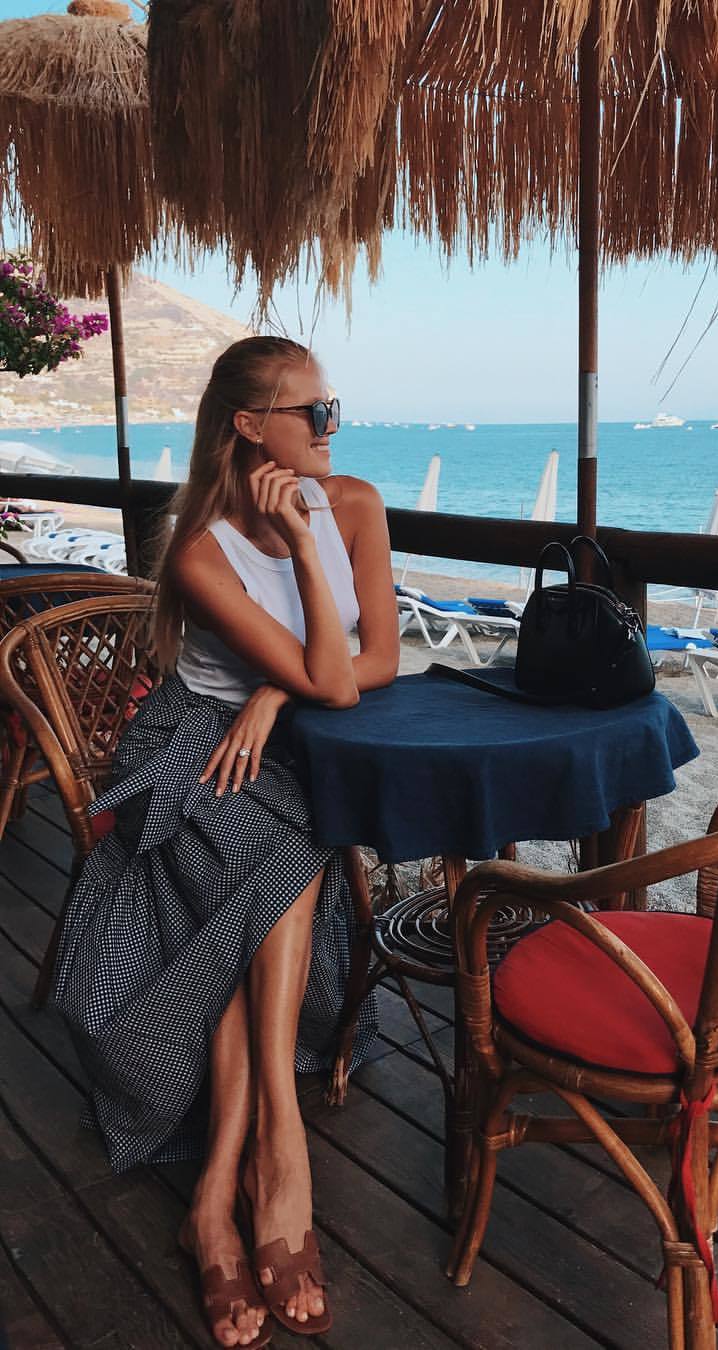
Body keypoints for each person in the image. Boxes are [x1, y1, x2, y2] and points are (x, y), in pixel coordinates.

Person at [50, 336, 399, 1346]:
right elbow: (335, 677)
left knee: (279, 847)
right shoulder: (200, 549)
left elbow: (376, 660)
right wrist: (294, 658)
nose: (332, 428)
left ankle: (215, 1191)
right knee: (286, 853)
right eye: (313, 413)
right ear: (250, 427)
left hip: (285, 735)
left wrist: (277, 694)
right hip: (195, 746)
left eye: (334, 408)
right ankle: (273, 1158)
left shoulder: (358, 506)